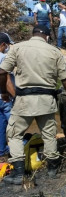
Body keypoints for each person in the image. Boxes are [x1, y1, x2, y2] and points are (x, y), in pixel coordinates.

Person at [0, 25, 66, 185]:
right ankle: (52, 170)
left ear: (32, 34)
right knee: (49, 134)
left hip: (24, 101)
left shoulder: (18, 48)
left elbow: (2, 72)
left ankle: (19, 173)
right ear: (47, 36)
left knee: (14, 134)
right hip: (46, 101)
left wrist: (4, 93)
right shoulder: (54, 51)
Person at [0, 33, 15, 163]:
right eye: (7, 45)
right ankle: (19, 150)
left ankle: (1, 151)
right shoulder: (4, 57)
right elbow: (7, 81)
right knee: (15, 124)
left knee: (1, 124)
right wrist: (16, 96)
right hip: (4, 98)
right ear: (3, 45)